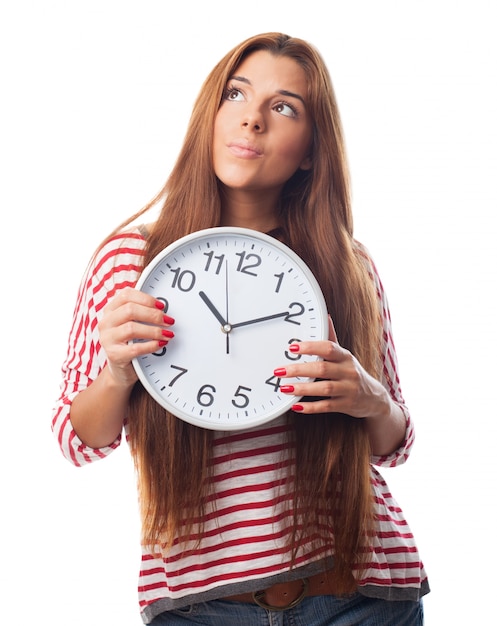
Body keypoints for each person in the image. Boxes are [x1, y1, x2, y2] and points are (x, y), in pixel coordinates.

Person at [52, 32, 429, 625]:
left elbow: (395, 443)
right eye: (236, 94)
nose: (252, 120)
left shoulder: (347, 265)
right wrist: (119, 371)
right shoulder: (132, 262)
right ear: (211, 114)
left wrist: (368, 396)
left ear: (309, 149)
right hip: (203, 609)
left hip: (362, 597)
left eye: (284, 107)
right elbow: (76, 439)